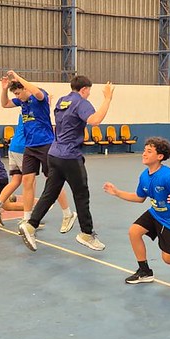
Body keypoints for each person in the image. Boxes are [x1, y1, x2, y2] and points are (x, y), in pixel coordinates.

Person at [18, 75, 114, 252]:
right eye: (89, 91)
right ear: (84, 89)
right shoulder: (81, 102)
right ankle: (86, 233)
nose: (89, 94)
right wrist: (107, 99)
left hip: (54, 153)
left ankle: (30, 225)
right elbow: (95, 121)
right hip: (70, 156)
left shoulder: (62, 101)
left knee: (50, 192)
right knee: (81, 194)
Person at [103, 137, 170, 284]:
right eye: (144, 151)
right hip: (155, 213)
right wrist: (117, 192)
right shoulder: (144, 176)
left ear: (160, 157)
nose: (144, 154)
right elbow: (139, 197)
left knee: (168, 258)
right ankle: (145, 271)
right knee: (134, 231)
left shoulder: (167, 176)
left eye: (149, 151)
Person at [0, 72, 76, 232]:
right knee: (27, 181)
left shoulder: (39, 98)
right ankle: (27, 219)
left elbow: (36, 92)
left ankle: (68, 213)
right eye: (16, 94)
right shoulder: (22, 103)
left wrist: (18, 77)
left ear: (24, 88)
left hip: (46, 145)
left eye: (19, 93)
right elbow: (4, 104)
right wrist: (5, 89)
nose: (18, 96)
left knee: (53, 180)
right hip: (30, 146)